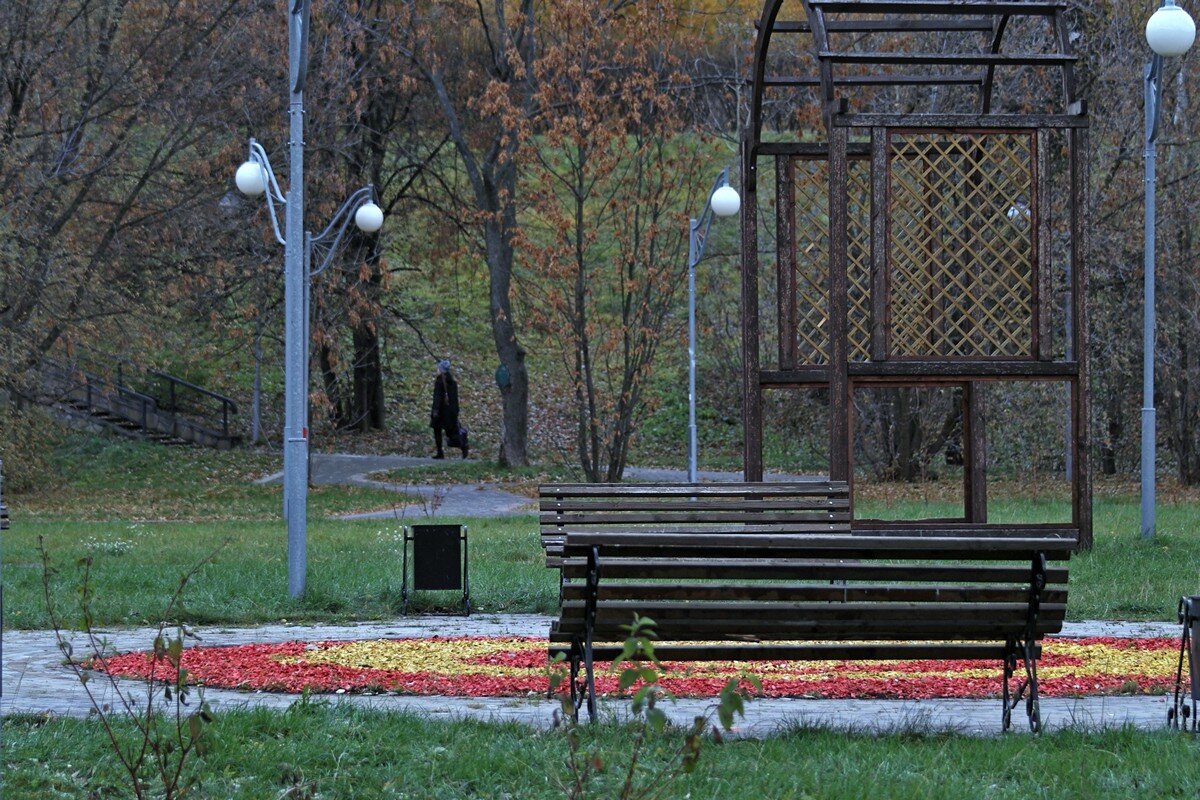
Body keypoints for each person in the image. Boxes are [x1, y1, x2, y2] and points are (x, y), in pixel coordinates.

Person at [430, 359, 467, 458]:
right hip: (450, 412)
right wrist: (456, 411)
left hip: (441, 411)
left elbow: (437, 397)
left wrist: (435, 410)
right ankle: (463, 446)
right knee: (451, 433)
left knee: (437, 431)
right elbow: (455, 398)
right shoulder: (452, 382)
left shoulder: (439, 381)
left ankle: (440, 452)